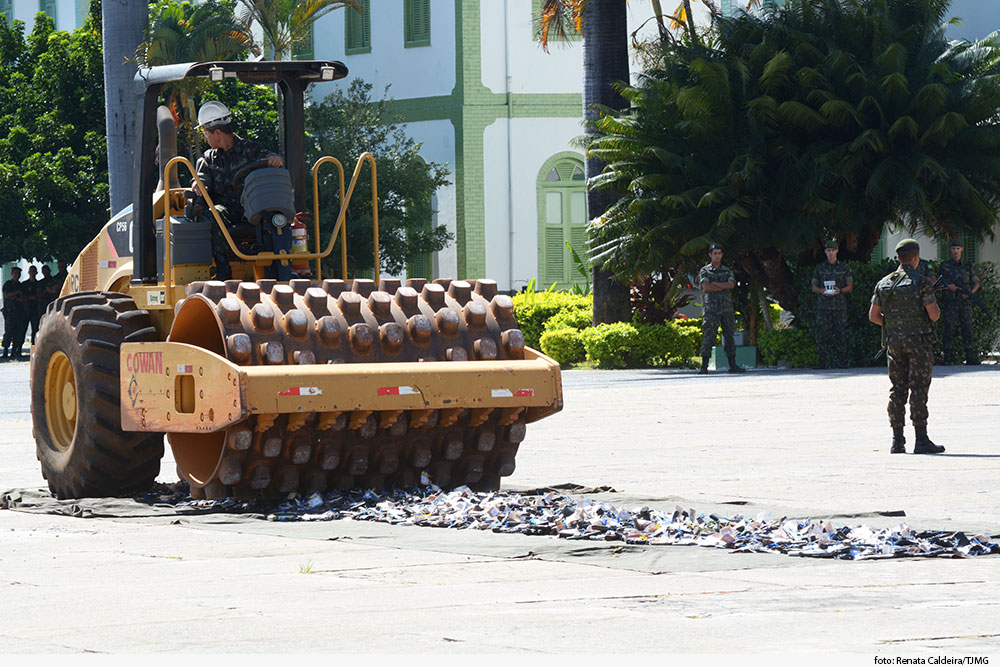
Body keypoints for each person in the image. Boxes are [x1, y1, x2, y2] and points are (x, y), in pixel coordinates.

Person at [192, 101, 284, 280]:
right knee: (213, 213)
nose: (205, 139)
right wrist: (199, 186)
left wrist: (275, 159)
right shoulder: (208, 159)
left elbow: (272, 157)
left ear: (217, 132)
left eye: (205, 133)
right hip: (227, 211)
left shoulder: (251, 150)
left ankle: (280, 267)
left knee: (278, 219)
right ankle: (223, 269)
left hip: (253, 209)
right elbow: (201, 179)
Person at [869, 239, 943, 455]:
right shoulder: (921, 282)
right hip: (919, 343)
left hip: (894, 344)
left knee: (897, 390)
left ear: (898, 258)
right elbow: (934, 315)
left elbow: (873, 316)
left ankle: (897, 441)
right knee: (918, 388)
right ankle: (921, 440)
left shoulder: (884, 283)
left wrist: (894, 325)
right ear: (916, 257)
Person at [698, 244, 745, 374]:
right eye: (715, 253)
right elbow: (706, 287)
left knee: (729, 335)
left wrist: (716, 284)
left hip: (726, 308)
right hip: (711, 309)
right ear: (710, 254)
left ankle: (732, 364)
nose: (717, 255)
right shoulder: (705, 271)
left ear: (722, 255)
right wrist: (723, 286)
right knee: (709, 336)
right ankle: (704, 366)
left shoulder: (727, 270)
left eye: (719, 253)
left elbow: (731, 285)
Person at [936, 238, 981, 365]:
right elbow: (938, 282)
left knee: (967, 328)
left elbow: (976, 282)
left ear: (962, 249)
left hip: (965, 303)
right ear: (950, 250)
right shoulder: (945, 266)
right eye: (953, 248)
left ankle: (969, 355)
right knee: (949, 328)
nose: (956, 251)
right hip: (950, 302)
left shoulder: (967, 266)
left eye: (958, 248)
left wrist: (970, 293)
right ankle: (947, 357)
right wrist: (949, 286)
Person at [811, 240, 854, 368]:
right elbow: (813, 286)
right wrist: (821, 291)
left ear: (837, 251)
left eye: (832, 250)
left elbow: (850, 287)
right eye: (828, 250)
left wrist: (840, 290)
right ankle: (822, 362)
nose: (830, 253)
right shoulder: (819, 268)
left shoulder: (844, 267)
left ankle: (842, 362)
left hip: (839, 306)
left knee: (841, 333)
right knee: (823, 334)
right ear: (825, 252)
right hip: (824, 306)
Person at [2, 267, 27, 360]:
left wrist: (16, 297)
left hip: (19, 312)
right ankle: (5, 352)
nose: (17, 275)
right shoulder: (8, 284)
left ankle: (14, 352)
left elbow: (24, 298)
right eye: (15, 273)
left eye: (19, 273)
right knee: (8, 332)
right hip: (9, 312)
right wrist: (17, 293)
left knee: (18, 333)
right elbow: (7, 295)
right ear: (12, 274)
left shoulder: (21, 285)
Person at [23, 265, 41, 345]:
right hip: (25, 310)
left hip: (35, 310)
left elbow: (41, 295)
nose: (32, 273)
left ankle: (33, 346)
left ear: (36, 273)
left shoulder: (39, 284)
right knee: (22, 329)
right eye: (31, 271)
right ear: (28, 272)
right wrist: (31, 297)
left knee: (35, 330)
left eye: (34, 271)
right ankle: (17, 349)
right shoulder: (24, 284)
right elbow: (21, 296)